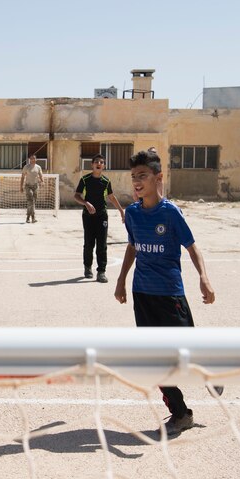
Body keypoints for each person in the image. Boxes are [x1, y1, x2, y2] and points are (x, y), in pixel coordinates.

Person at [114, 149, 216, 436]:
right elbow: (132, 246)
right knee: (153, 357)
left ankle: (212, 369)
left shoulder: (170, 213)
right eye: (133, 176)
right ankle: (180, 413)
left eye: (142, 176)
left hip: (170, 294)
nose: (136, 181)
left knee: (185, 349)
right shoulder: (132, 213)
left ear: (158, 178)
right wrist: (121, 280)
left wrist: (204, 278)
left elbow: (191, 246)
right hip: (142, 294)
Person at [73, 154, 125, 282]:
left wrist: (121, 211)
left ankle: (101, 272)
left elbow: (112, 197)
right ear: (92, 164)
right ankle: (87, 267)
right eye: (97, 162)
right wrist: (86, 203)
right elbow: (77, 195)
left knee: (102, 244)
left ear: (104, 166)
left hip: (102, 215)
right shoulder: (85, 180)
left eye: (102, 162)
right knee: (89, 243)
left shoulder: (106, 181)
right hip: (88, 216)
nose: (99, 164)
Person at [20, 154, 44, 223]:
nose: (32, 160)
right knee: (31, 201)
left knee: (33, 202)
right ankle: (31, 217)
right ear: (29, 159)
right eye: (31, 158)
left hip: (35, 186)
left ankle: (29, 218)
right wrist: (21, 187)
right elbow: (22, 177)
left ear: (36, 159)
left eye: (34, 158)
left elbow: (41, 175)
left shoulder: (38, 167)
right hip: (28, 186)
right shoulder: (26, 167)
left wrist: (43, 181)